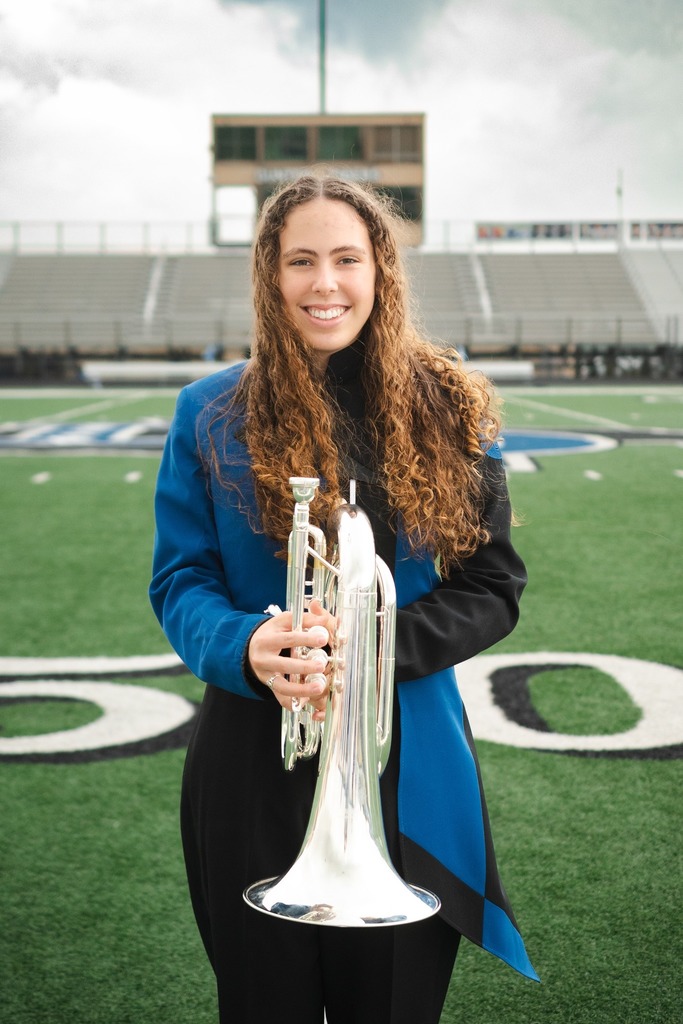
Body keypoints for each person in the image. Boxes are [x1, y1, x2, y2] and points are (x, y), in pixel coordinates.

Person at [149, 174, 538, 1024]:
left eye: (345, 259)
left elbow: (492, 586)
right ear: (270, 274)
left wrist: (365, 649)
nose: (323, 284)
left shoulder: (447, 409)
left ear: (379, 270)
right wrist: (244, 649)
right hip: (254, 759)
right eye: (300, 261)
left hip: (407, 760)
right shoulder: (208, 412)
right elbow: (180, 581)